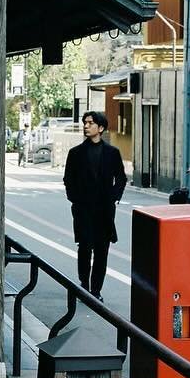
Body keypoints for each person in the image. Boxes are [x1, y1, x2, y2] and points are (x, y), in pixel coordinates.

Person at [63, 110, 127, 300]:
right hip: (83, 208)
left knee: (102, 250)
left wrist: (114, 197)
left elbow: (121, 177)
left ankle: (96, 290)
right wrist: (74, 198)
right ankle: (84, 283)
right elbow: (68, 179)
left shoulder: (112, 153)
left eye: (90, 123)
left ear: (100, 128)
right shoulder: (75, 153)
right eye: (85, 122)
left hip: (105, 209)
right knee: (84, 247)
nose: (86, 125)